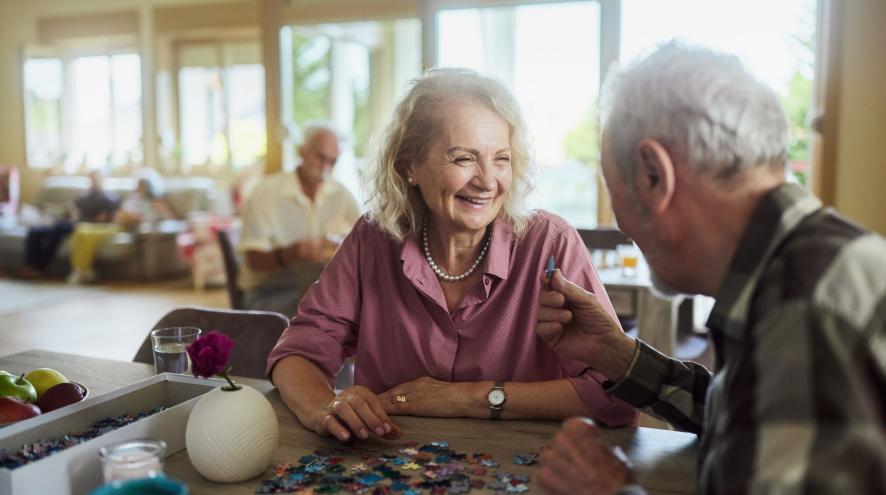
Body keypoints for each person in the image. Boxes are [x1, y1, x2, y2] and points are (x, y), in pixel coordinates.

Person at [536, 42, 886, 494]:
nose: (621, 222)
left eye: (613, 187)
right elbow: (749, 410)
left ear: (652, 174)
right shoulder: (810, 262)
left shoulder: (803, 307)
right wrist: (615, 354)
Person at [267, 68, 637, 444]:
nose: (487, 181)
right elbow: (299, 351)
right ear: (410, 165)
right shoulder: (372, 239)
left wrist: (467, 397)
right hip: (390, 470)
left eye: (501, 159)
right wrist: (322, 406)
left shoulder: (550, 244)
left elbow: (618, 395)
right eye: (463, 159)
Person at [238, 124, 361, 316]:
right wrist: (291, 253)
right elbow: (254, 260)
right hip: (270, 292)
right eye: (320, 157)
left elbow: (362, 244)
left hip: (322, 291)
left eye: (333, 161)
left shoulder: (342, 196)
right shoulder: (265, 193)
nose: (325, 168)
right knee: (333, 317)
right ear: (301, 151)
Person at [67, 175, 177, 284]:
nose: (138, 188)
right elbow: (121, 212)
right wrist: (122, 215)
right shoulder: (133, 198)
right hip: (116, 223)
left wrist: (156, 212)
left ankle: (83, 270)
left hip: (127, 228)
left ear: (148, 187)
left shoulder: (156, 201)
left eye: (141, 185)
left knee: (88, 234)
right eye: (138, 185)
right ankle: (79, 269)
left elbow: (167, 218)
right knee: (81, 230)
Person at [22, 170, 118, 276]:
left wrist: (82, 219)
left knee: (57, 231)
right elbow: (70, 208)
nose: (93, 181)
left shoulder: (108, 198)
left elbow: (102, 219)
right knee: (34, 231)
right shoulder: (83, 196)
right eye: (91, 178)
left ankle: (40, 267)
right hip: (68, 221)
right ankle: (30, 266)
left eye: (95, 178)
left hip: (82, 226)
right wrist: (68, 213)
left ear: (101, 180)